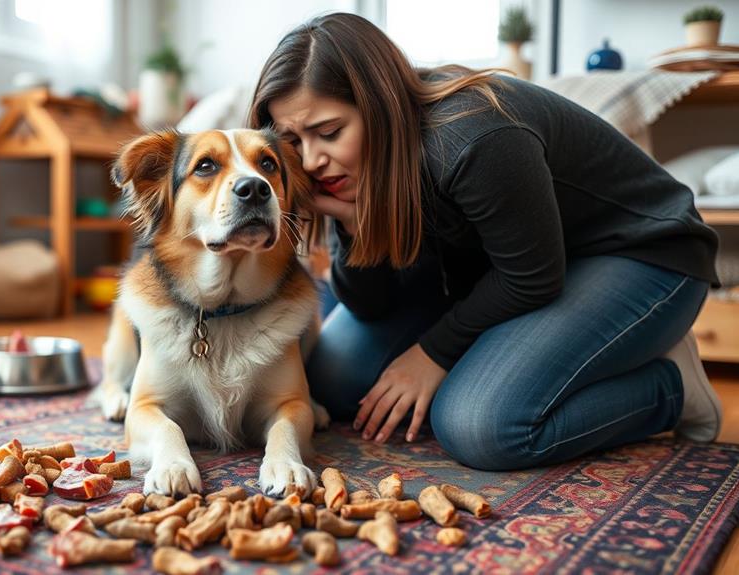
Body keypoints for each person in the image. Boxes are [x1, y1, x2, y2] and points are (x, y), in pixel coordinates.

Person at [248, 13, 722, 471]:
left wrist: (433, 353)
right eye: (292, 140)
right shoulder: (341, 168)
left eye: (329, 132)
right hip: (491, 269)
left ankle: (671, 389)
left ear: (380, 104)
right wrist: (356, 226)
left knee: (480, 426)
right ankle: (505, 360)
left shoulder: (474, 136)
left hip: (636, 254)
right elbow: (372, 305)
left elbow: (532, 277)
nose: (310, 160)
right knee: (329, 381)